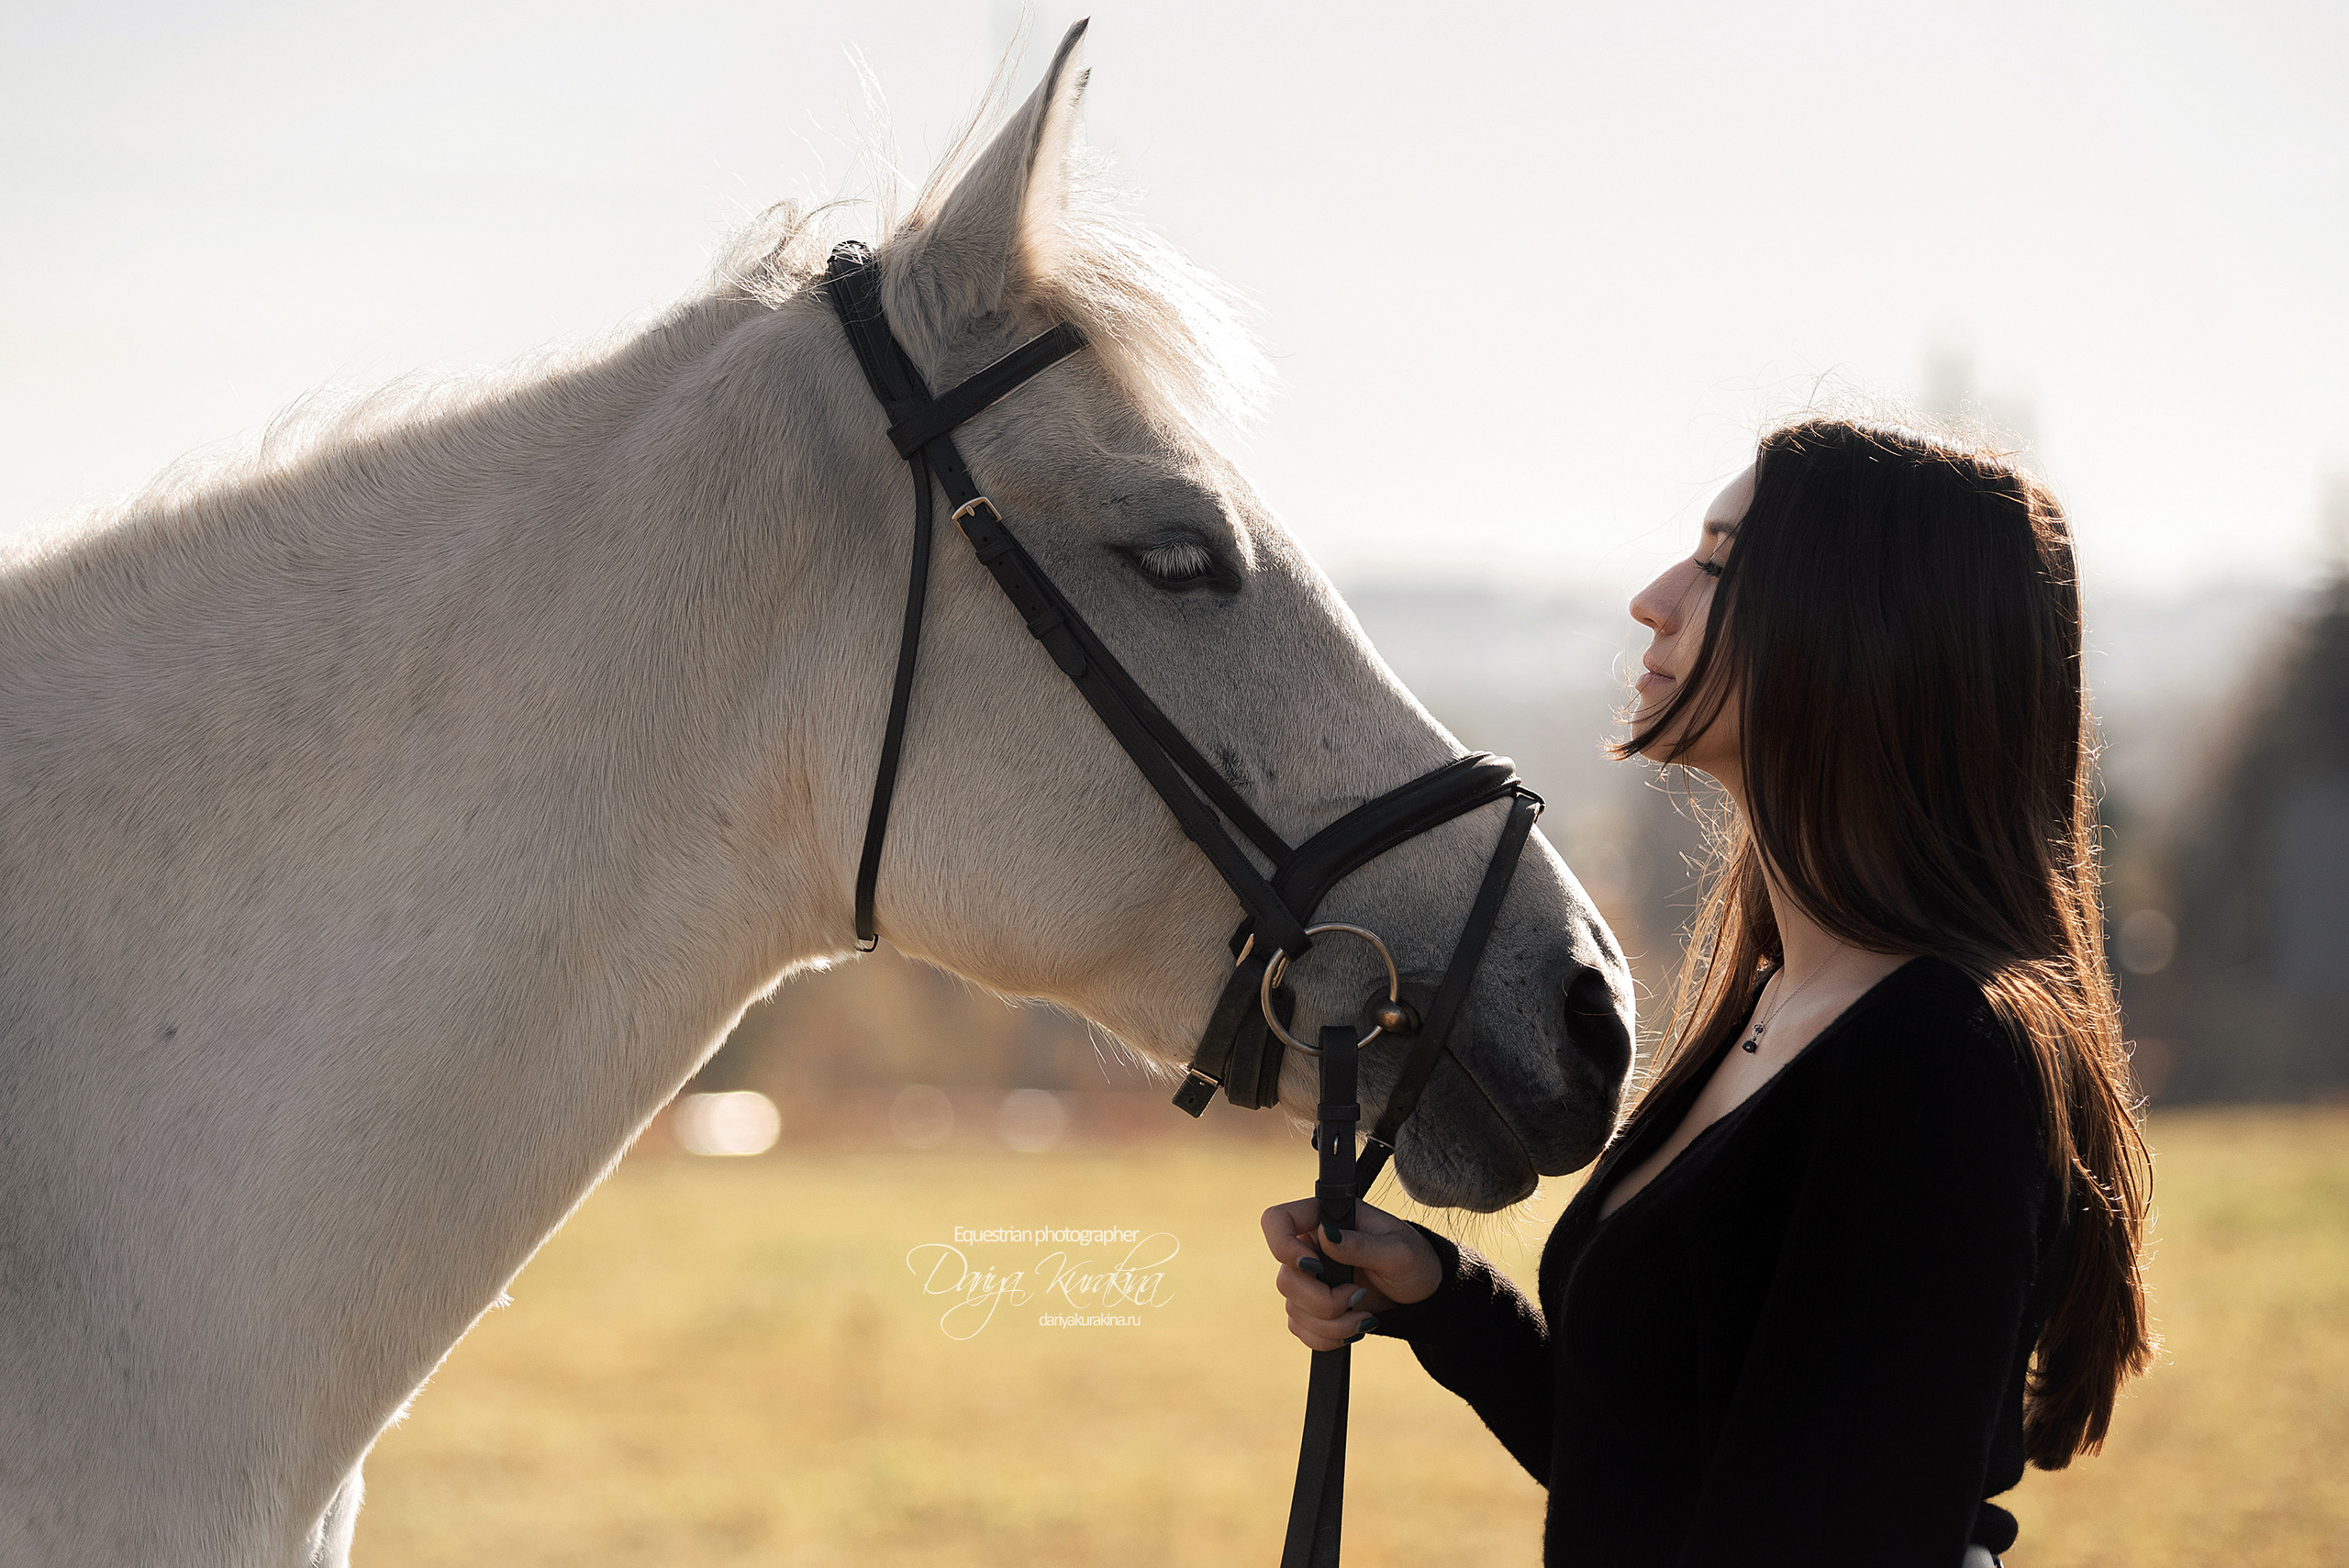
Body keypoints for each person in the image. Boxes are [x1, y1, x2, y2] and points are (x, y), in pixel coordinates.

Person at [1262, 417, 2154, 1567]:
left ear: (1861, 634)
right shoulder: (1781, 1009)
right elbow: (1665, 1467)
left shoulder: (1932, 1066)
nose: (1654, 596)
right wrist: (1439, 1296)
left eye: (1720, 563)